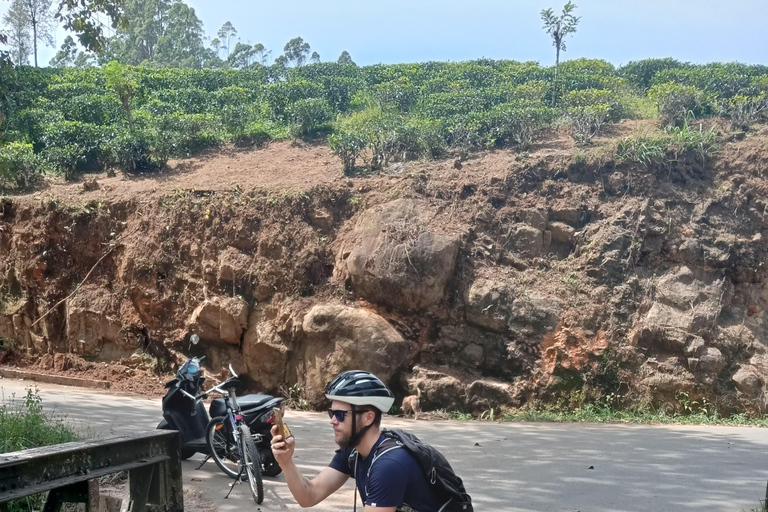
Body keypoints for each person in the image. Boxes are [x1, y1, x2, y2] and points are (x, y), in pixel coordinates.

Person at [270, 370, 445, 512]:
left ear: (369, 418)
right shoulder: (353, 452)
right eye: (332, 414)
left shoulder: (389, 465)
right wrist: (286, 462)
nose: (332, 421)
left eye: (340, 415)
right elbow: (309, 496)